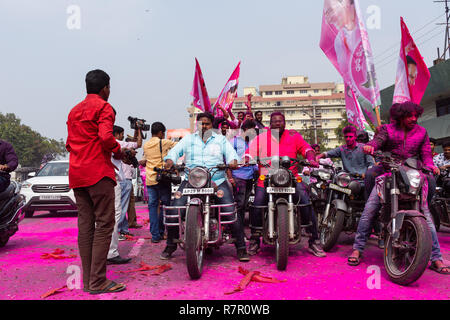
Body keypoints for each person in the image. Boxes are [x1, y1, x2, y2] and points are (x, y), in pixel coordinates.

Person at [348, 102, 449, 275]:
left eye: (416, 115)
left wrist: (430, 165)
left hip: (412, 173)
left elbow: (426, 154)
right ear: (400, 116)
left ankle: (436, 257)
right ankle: (358, 248)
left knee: (427, 213)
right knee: (369, 209)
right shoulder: (387, 129)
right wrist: (371, 146)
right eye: (410, 116)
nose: (414, 119)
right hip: (388, 171)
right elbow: (377, 141)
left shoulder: (422, 132)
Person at [66, 69, 126, 294]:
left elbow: (69, 144)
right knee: (104, 225)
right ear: (105, 88)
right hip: (98, 173)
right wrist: (119, 151)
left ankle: (90, 281)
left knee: (85, 227)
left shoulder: (74, 111)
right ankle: (98, 281)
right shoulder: (104, 107)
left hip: (77, 174)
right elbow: (105, 137)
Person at [160, 112, 250, 262]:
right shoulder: (188, 139)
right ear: (197, 124)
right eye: (201, 123)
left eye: (207, 123)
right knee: (175, 211)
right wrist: (170, 160)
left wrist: (233, 160)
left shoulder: (220, 140)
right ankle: (171, 245)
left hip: (217, 180)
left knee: (230, 212)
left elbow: (231, 153)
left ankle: (241, 247)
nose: (204, 126)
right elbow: (175, 151)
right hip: (192, 180)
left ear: (212, 125)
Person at [246, 112, 326, 257]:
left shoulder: (294, 136)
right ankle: (255, 239)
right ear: (270, 123)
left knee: (306, 203)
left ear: (285, 123)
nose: (278, 123)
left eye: (280, 121)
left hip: (292, 178)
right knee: (257, 204)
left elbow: (306, 149)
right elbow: (250, 152)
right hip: (266, 178)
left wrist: (311, 158)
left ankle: (314, 240)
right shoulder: (261, 137)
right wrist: (247, 158)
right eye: (274, 121)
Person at [141, 122, 177, 243]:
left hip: (150, 179)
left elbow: (146, 159)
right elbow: (178, 146)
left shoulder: (146, 145)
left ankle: (155, 235)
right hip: (162, 178)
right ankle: (162, 231)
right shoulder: (163, 142)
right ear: (161, 132)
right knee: (165, 205)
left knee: (152, 207)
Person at [226, 119, 259, 238]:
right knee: (239, 206)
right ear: (244, 130)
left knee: (245, 206)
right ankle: (237, 233)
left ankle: (238, 232)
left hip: (250, 178)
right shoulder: (233, 142)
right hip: (238, 177)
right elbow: (227, 161)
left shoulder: (253, 143)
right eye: (251, 130)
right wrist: (231, 178)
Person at [112, 126, 141, 240]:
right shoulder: (117, 143)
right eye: (122, 134)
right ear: (117, 134)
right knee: (121, 208)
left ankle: (123, 230)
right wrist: (139, 130)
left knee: (121, 207)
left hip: (120, 179)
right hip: (122, 180)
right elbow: (138, 143)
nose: (123, 137)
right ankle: (119, 231)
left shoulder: (109, 143)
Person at [121, 132, 143, 229]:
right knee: (123, 205)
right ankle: (123, 227)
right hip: (125, 180)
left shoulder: (127, 156)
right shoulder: (123, 154)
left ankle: (129, 223)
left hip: (127, 180)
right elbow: (137, 143)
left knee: (129, 204)